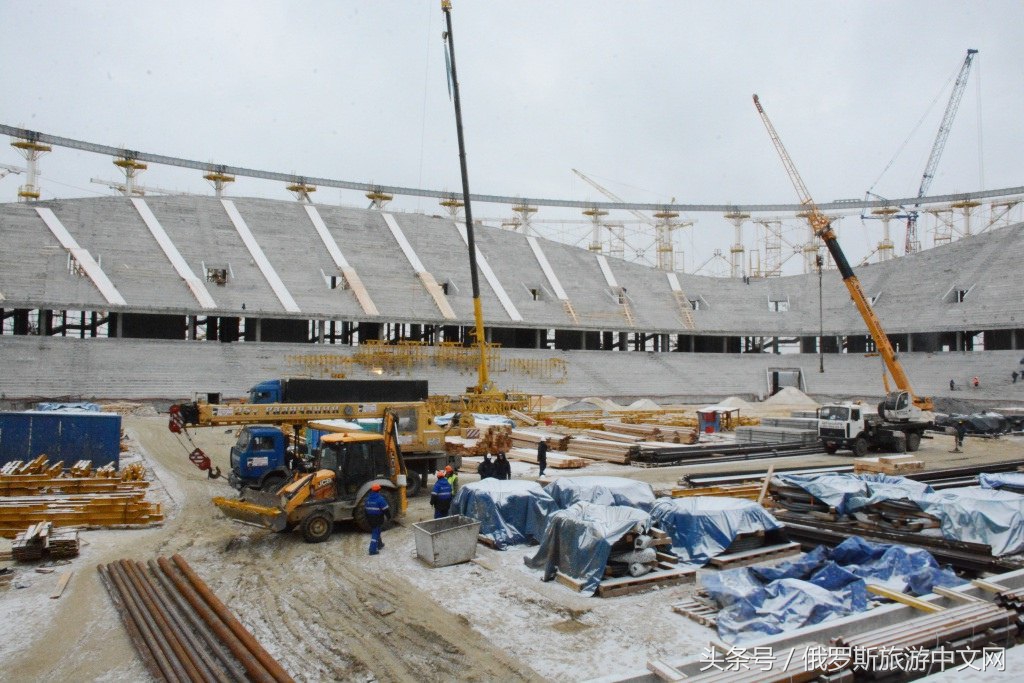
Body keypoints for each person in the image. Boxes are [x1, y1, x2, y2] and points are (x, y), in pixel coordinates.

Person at [364, 483, 391, 555]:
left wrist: (367, 519)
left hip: (370, 518)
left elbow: (365, 510)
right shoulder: (380, 499)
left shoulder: (368, 498)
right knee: (375, 533)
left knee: (377, 531)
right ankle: (372, 550)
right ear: (379, 490)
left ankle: (379, 544)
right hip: (377, 518)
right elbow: (386, 510)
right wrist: (389, 517)